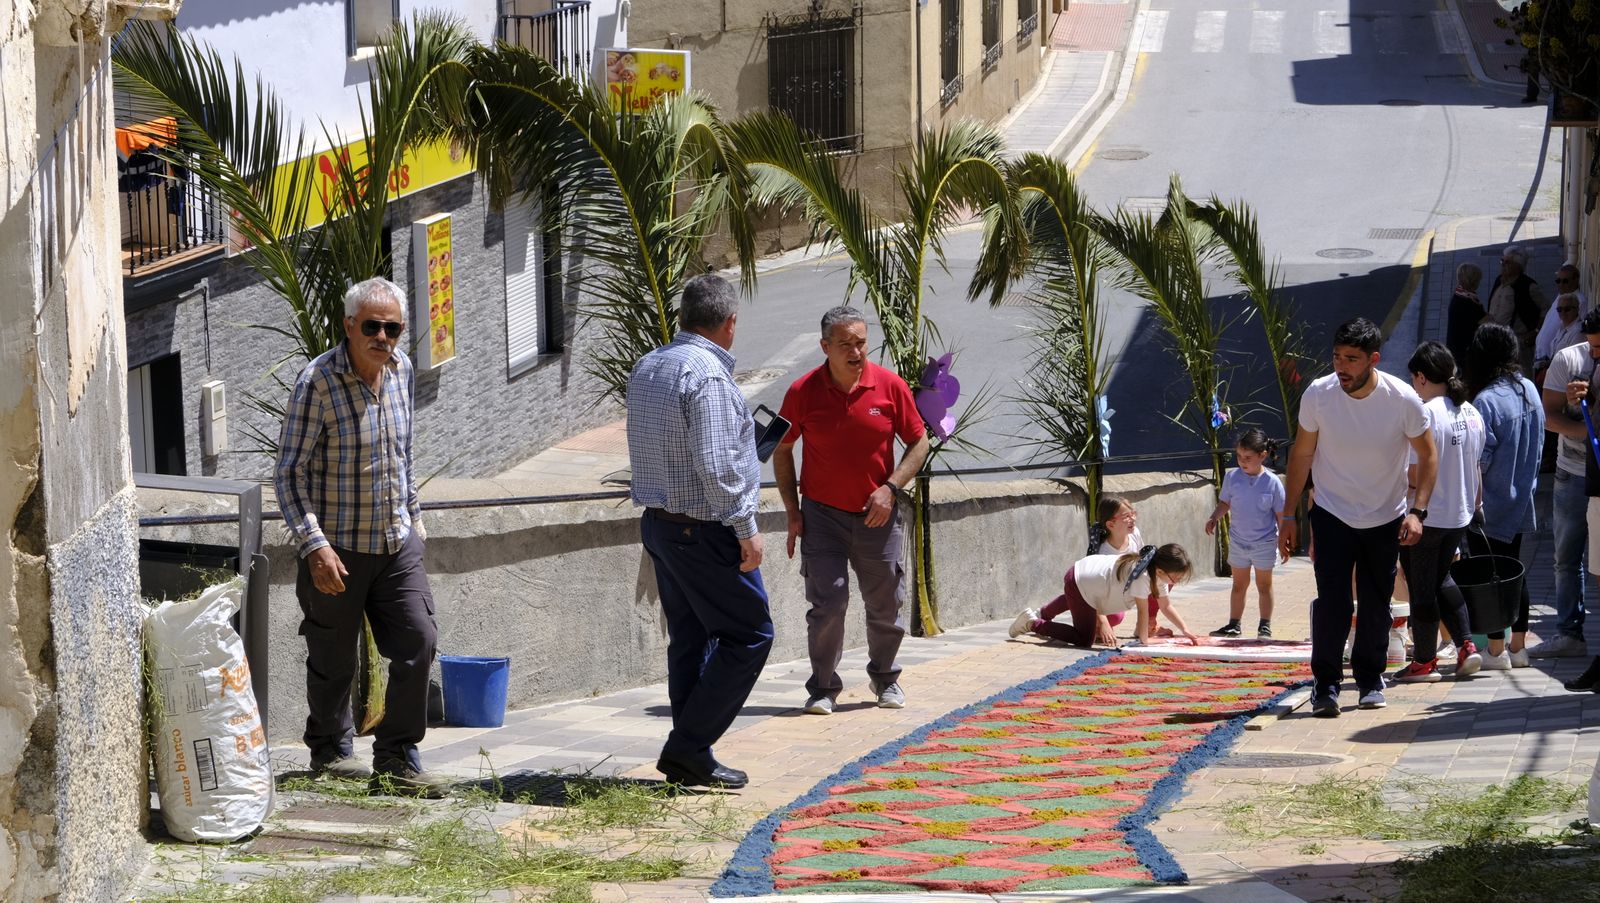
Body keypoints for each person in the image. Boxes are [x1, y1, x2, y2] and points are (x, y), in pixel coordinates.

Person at [275, 277, 443, 797]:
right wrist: (314, 546)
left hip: (396, 544)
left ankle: (396, 757)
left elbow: (403, 453)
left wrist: (415, 520)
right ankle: (329, 750)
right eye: (372, 326)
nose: (383, 338)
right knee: (334, 659)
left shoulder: (402, 371)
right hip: (338, 550)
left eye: (393, 328)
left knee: (420, 640)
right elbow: (289, 474)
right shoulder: (317, 383)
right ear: (348, 326)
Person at [626, 274, 774, 790]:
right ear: (730, 323)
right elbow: (716, 464)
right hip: (704, 529)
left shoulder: (650, 365)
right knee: (751, 634)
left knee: (690, 641)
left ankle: (694, 755)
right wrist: (746, 527)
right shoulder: (708, 376)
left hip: (661, 528)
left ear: (685, 316)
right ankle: (687, 749)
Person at [774, 305, 930, 716]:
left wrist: (890, 488)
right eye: (845, 344)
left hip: (878, 516)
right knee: (829, 603)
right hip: (822, 517)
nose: (856, 351)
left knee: (885, 604)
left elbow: (920, 443)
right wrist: (793, 509)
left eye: (861, 342)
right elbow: (783, 448)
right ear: (825, 346)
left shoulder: (890, 387)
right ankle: (823, 688)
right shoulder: (802, 391)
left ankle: (886, 679)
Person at [1279, 317, 1435, 717]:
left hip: (1385, 516)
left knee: (1375, 601)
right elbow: (1302, 454)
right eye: (1337, 357)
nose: (1342, 367)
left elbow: (1430, 455)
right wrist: (1289, 515)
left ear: (1374, 360)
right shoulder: (1319, 394)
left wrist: (1417, 511)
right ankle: (1326, 685)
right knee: (1332, 602)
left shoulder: (1402, 400)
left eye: (1352, 359)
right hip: (1331, 513)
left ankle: (1369, 679)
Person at [1391, 343, 1486, 682]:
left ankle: (1425, 661)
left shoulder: (1428, 413)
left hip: (1425, 514)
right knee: (1441, 578)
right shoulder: (1472, 412)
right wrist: (1476, 506)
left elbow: (1416, 473)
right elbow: (1476, 467)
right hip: (1458, 514)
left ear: (1420, 377)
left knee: (1421, 588)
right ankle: (1467, 646)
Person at [1462, 323, 1544, 669]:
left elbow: (1479, 460)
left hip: (1489, 504)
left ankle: (1496, 650)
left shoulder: (1485, 400)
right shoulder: (1528, 388)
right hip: (1522, 497)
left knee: (1488, 577)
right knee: (1515, 573)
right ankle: (1518, 648)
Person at [1534, 307, 1600, 658]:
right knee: (1566, 556)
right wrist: (1582, 417)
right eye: (1591, 347)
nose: (1594, 355)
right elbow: (1549, 416)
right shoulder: (1568, 360)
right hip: (1573, 472)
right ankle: (1569, 633)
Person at [1009, 545, 1199, 647]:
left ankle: (1044, 613)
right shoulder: (1143, 576)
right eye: (1175, 577)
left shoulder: (1156, 575)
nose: (1176, 581)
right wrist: (1144, 643)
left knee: (1078, 599)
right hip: (1079, 580)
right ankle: (1033, 623)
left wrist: (1185, 630)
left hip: (1085, 578)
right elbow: (1143, 612)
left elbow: (1166, 606)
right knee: (1084, 639)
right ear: (1160, 571)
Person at [1205, 428, 1286, 639]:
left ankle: (1265, 625)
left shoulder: (1272, 482)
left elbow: (1280, 514)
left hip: (1265, 542)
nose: (1242, 461)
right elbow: (1225, 502)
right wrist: (1215, 516)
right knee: (1238, 584)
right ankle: (1234, 624)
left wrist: (1283, 542)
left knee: (1264, 585)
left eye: (1248, 457)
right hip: (1239, 541)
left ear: (1263, 455)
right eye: (1239, 456)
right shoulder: (1232, 478)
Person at [1485, 245, 1548, 374]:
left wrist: (1536, 331)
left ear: (1518, 266)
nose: (1502, 264)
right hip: (1496, 339)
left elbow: (1546, 308)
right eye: (1502, 260)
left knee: (1523, 375)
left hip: (1518, 341)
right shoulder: (1499, 280)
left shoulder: (1529, 286)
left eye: (1507, 262)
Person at [1534, 265, 1588, 367]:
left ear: (1575, 280)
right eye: (1558, 281)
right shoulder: (1561, 297)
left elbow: (1576, 326)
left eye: (1565, 281)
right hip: (1545, 357)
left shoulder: (1579, 300)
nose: (1561, 285)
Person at [1446, 262, 1487, 366]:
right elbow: (1483, 321)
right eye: (1478, 279)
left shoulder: (1459, 295)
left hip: (1456, 349)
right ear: (1473, 281)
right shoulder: (1468, 302)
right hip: (1464, 353)